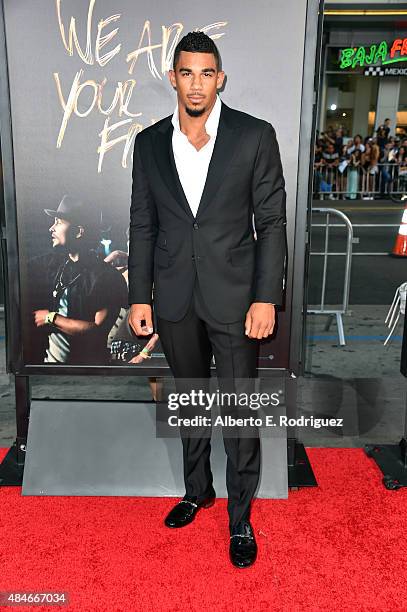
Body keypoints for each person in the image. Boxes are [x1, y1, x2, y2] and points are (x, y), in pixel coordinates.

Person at [128, 31, 287, 569]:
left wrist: (266, 297)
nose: (197, 83)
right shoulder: (148, 142)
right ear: (173, 78)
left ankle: (240, 516)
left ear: (220, 78)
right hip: (173, 299)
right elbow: (142, 224)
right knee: (190, 402)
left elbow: (270, 223)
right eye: (187, 72)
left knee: (241, 410)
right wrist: (137, 295)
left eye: (207, 73)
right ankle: (198, 491)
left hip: (238, 299)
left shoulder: (254, 136)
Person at [30, 195, 128, 365]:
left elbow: (98, 330)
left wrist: (51, 318)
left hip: (85, 377)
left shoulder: (107, 277)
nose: (51, 228)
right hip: (50, 372)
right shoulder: (56, 264)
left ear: (78, 232)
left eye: (58, 222)